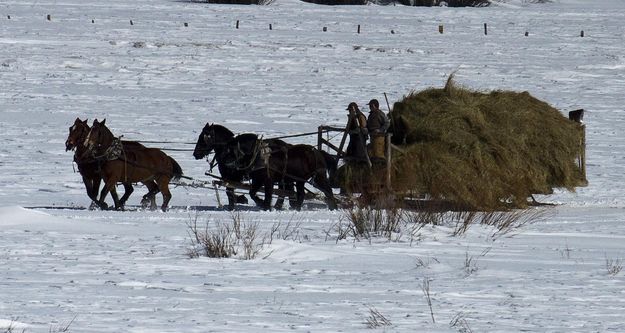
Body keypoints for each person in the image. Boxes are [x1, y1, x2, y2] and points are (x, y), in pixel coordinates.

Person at [366, 99, 389, 163]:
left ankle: (381, 168)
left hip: (379, 137)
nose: (369, 107)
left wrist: (380, 130)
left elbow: (387, 123)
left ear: (374, 106)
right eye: (369, 106)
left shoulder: (380, 114)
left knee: (379, 154)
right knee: (372, 153)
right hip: (372, 136)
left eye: (371, 106)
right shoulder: (371, 115)